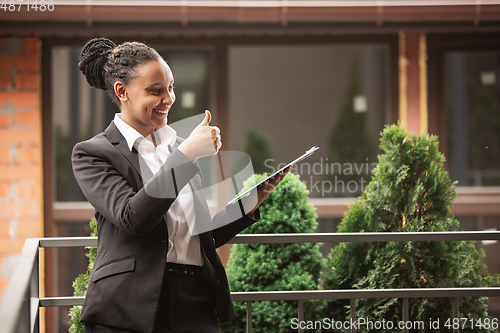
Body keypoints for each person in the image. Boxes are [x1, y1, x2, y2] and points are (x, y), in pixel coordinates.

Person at [72, 37, 289, 333]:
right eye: (156, 90)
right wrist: (186, 156)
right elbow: (132, 217)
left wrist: (253, 198)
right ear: (122, 91)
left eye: (171, 87)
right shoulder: (94, 153)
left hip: (195, 301)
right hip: (128, 307)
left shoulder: (179, 149)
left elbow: (201, 234)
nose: (169, 98)